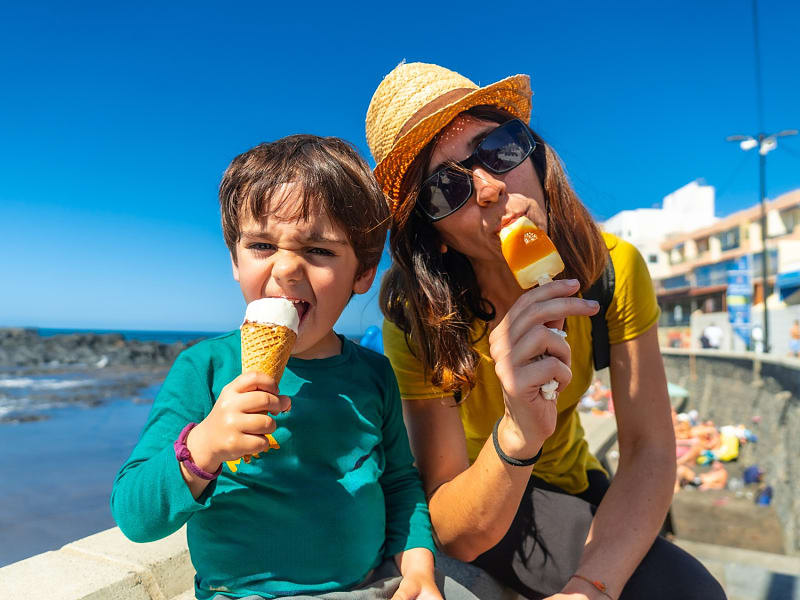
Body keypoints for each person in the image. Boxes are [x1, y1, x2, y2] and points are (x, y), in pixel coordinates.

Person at [364, 62, 726, 599]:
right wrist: (517, 428)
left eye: (499, 149)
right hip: (484, 489)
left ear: (533, 154)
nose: (487, 188)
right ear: (433, 233)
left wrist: (592, 587)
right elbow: (452, 524)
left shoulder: (610, 269)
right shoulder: (416, 314)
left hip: (574, 483)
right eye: (444, 189)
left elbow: (649, 446)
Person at [111, 135, 483, 600]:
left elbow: (400, 485)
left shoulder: (373, 375)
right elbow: (135, 517)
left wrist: (420, 571)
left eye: (320, 250)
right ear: (234, 259)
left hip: (370, 586)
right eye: (262, 245)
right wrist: (201, 448)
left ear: (363, 274)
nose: (286, 269)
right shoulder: (205, 368)